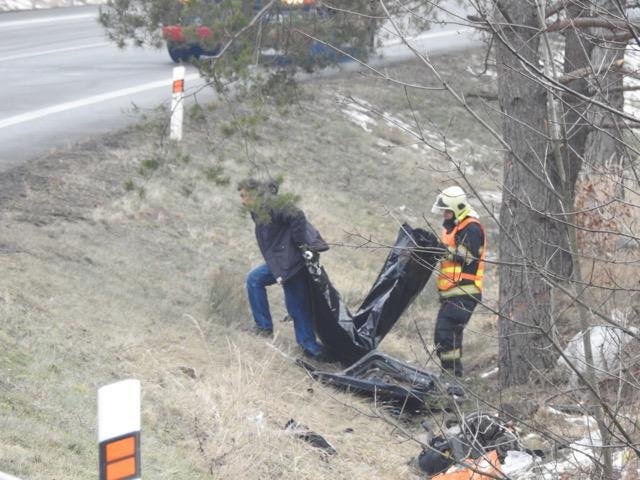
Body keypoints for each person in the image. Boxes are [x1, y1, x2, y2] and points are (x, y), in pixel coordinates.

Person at [238, 178, 326, 360]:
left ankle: (311, 348)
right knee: (255, 279)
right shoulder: (259, 209)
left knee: (296, 305)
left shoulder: (272, 204)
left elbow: (297, 215)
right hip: (281, 262)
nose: (242, 200)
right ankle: (264, 328)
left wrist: (299, 244)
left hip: (292, 262)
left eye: (244, 196)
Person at [431, 185, 486, 378]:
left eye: (447, 211)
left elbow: (467, 256)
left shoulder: (470, 227)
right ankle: (452, 376)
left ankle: (451, 376)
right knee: (447, 336)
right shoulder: (456, 227)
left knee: (445, 334)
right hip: (454, 294)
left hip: (464, 292)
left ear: (458, 208)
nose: (444, 215)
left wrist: (440, 250)